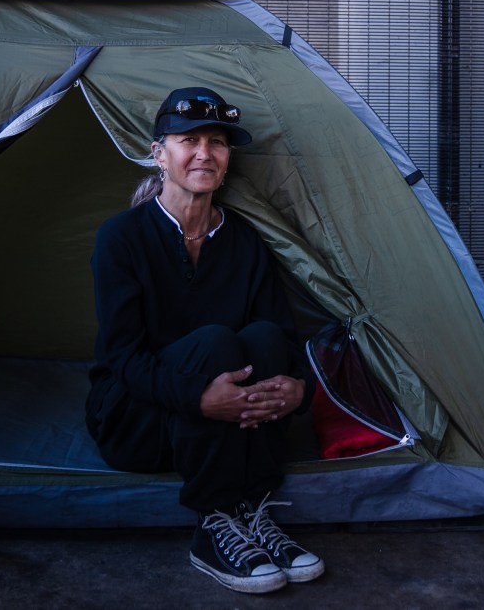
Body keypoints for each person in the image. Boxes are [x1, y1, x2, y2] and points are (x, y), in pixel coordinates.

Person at [85, 87, 325, 594]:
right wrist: (199, 397)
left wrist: (299, 389)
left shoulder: (245, 240)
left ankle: (252, 512)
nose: (204, 153)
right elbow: (123, 359)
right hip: (136, 421)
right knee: (216, 342)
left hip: (227, 422)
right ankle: (213, 522)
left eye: (216, 142)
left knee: (262, 338)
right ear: (159, 153)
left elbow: (281, 336)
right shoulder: (121, 238)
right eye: (188, 141)